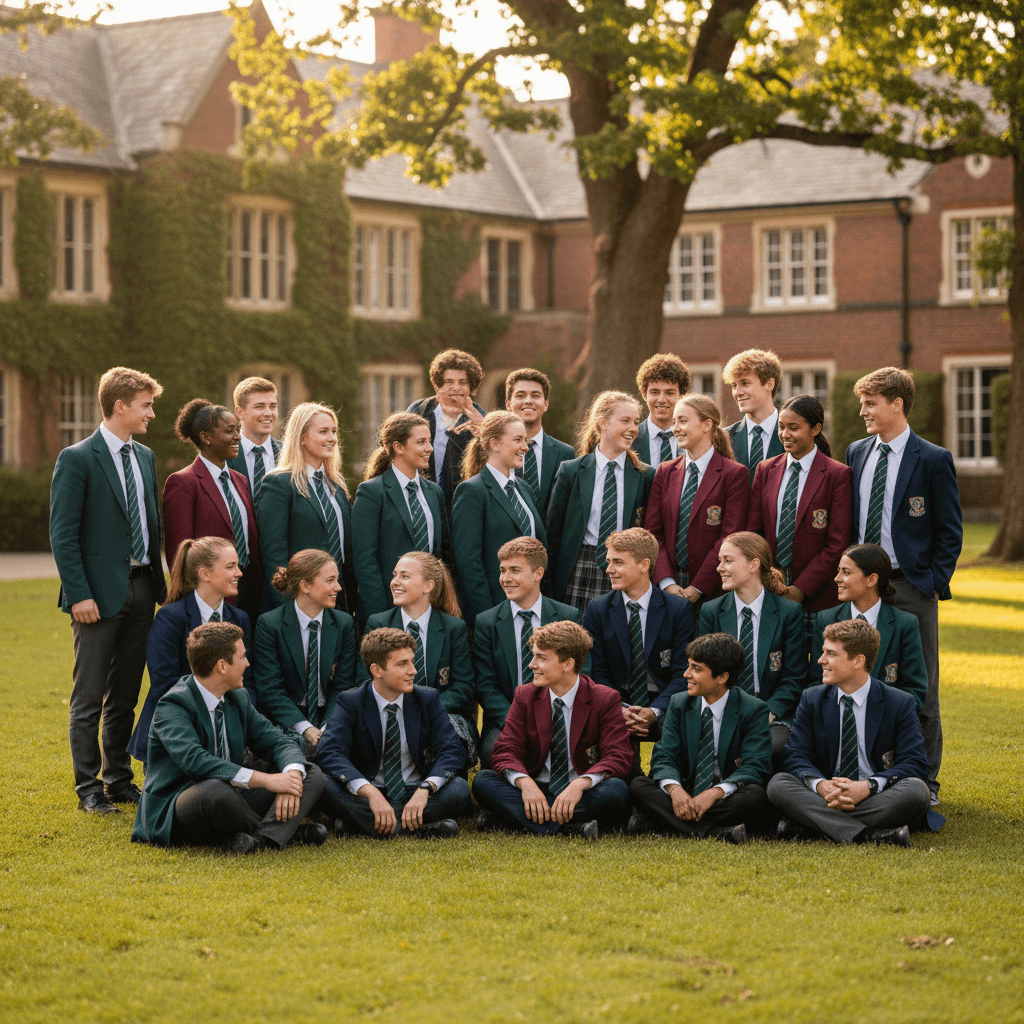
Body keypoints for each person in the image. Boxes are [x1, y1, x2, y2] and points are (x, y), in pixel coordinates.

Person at [50, 366, 167, 813]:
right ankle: (88, 790)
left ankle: (119, 780)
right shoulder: (77, 458)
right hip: (95, 598)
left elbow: (150, 526)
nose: (151, 414)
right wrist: (79, 594)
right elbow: (63, 534)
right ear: (120, 405)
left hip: (142, 592)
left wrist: (159, 584)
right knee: (89, 697)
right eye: (145, 405)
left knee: (125, 695)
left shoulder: (146, 457)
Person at [846, 367, 962, 806]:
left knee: (922, 688)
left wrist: (931, 582)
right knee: (864, 679)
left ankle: (925, 783)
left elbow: (950, 531)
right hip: (864, 587)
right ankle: (869, 770)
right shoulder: (856, 452)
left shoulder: (932, 459)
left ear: (897, 404)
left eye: (871, 403)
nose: (863, 412)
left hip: (911, 586)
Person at [131, 621, 326, 852]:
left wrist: (291, 775)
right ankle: (287, 835)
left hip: (233, 793)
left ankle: (263, 840)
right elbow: (195, 762)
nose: (247, 663)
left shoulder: (238, 697)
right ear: (222, 666)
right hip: (182, 803)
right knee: (215, 790)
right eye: (242, 656)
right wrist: (268, 781)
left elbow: (276, 740)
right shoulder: (173, 705)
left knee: (310, 772)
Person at [767, 618, 931, 847]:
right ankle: (869, 835)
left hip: (874, 797)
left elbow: (915, 764)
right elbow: (796, 755)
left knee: (916, 791)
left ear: (858, 661)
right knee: (778, 784)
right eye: (823, 652)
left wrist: (867, 787)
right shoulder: (812, 698)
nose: (820, 660)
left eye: (831, 654)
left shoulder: (899, 703)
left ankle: (813, 826)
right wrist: (822, 786)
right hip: (826, 795)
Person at [472, 621, 632, 837]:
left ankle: (516, 820)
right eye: (533, 655)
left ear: (568, 664)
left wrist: (580, 784)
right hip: (537, 785)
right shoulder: (525, 696)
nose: (532, 664)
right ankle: (570, 828)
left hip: (581, 791)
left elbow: (618, 755)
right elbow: (505, 750)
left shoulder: (605, 699)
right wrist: (525, 783)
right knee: (483, 781)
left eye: (541, 658)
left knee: (616, 791)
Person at [316, 627, 471, 838]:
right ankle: (415, 829)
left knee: (460, 789)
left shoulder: (427, 699)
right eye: (402, 664)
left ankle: (363, 825)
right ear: (377, 670)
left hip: (414, 790)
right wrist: (370, 792)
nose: (413, 671)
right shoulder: (351, 701)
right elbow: (330, 751)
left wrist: (425, 789)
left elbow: (451, 750)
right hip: (368, 792)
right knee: (322, 784)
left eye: (412, 661)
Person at [628, 633, 772, 843]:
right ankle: (716, 833)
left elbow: (755, 766)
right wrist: (675, 791)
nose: (686, 674)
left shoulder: (753, 709)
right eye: (688, 666)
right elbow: (664, 755)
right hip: (684, 793)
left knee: (755, 795)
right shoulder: (679, 702)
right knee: (639, 786)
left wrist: (714, 793)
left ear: (722, 677)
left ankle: (661, 823)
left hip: (724, 797)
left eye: (696, 669)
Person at [128, 536, 252, 768]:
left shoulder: (240, 619)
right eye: (230, 567)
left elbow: (248, 682)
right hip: (177, 731)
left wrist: (242, 728)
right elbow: (164, 685)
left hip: (229, 731)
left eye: (237, 565)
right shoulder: (170, 618)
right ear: (204, 574)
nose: (239, 573)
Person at [583, 528, 695, 765]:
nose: (609, 569)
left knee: (680, 731)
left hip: (664, 700)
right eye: (609, 561)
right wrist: (620, 709)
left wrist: (654, 712)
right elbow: (598, 673)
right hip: (616, 701)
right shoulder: (597, 609)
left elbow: (681, 673)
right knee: (612, 753)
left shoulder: (678, 609)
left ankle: (667, 783)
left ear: (644, 565)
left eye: (618, 562)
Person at [746, 395, 852, 641]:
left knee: (818, 666)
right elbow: (753, 532)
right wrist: (769, 578)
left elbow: (837, 543)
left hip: (817, 593)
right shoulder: (765, 470)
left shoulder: (837, 475)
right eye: (781, 427)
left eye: (794, 428)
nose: (785, 434)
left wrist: (800, 589)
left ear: (815, 429)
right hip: (769, 588)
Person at [473, 537, 584, 769]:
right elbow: (485, 685)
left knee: (584, 757)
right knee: (494, 755)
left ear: (538, 573)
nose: (506, 578)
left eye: (515, 570)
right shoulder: (487, 622)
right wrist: (516, 720)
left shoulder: (568, 616)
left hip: (561, 713)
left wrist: (552, 717)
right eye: (503, 570)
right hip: (507, 716)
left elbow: (581, 674)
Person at [698, 532, 806, 764]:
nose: (719, 568)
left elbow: (794, 677)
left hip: (771, 711)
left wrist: (767, 712)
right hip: (723, 708)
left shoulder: (788, 612)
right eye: (720, 560)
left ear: (753, 565)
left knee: (770, 745)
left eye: (728, 560)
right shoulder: (712, 611)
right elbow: (704, 672)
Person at [546, 391, 656, 613]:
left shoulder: (645, 475)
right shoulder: (572, 471)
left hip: (625, 569)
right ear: (603, 424)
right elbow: (553, 532)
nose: (633, 428)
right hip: (578, 567)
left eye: (635, 422)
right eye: (625, 421)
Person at [364, 552, 477, 768]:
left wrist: (428, 711)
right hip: (389, 712)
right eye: (394, 575)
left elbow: (463, 686)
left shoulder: (453, 628)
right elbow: (367, 680)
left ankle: (440, 782)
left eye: (405, 576)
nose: (395, 582)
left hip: (440, 714)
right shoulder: (378, 624)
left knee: (448, 742)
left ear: (428, 586)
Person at [162, 399, 262, 624]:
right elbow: (179, 555)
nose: (238, 436)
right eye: (229, 431)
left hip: (250, 591)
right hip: (211, 598)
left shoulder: (240, 480)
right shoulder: (183, 482)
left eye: (237, 430)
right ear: (206, 437)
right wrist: (197, 604)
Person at [646, 393, 750, 607]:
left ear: (707, 425)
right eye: (674, 421)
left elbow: (729, 538)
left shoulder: (734, 474)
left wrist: (698, 587)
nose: (675, 428)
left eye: (683, 421)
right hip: (669, 590)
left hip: (714, 590)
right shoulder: (665, 472)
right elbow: (653, 533)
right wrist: (666, 582)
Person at [253, 549, 357, 758]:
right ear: (305, 586)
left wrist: (328, 726)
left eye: (337, 580)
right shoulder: (270, 624)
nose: (338, 587)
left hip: (330, 714)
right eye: (330, 580)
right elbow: (270, 688)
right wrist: (304, 727)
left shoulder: (343, 623)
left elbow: (343, 685)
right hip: (289, 718)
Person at [259, 402, 356, 613]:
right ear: (301, 438)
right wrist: (288, 607)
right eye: (323, 431)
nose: (332, 438)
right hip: (300, 603)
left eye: (333, 431)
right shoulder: (279, 483)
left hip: (339, 604)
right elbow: (274, 555)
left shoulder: (337, 486)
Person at [351, 412, 449, 620]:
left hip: (431, 609)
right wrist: (383, 616)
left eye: (429, 441)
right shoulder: (371, 493)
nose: (429, 448)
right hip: (388, 608)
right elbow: (364, 561)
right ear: (399, 447)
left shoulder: (434, 493)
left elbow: (440, 553)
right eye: (421, 442)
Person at [450, 411, 547, 624]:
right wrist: (489, 615)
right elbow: (468, 562)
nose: (525, 446)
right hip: (495, 609)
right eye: (518, 440)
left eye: (525, 440)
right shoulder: (472, 491)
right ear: (494, 444)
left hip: (531, 607)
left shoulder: (524, 488)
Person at [810, 544, 927, 711]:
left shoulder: (905, 624)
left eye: (846, 572)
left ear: (871, 579)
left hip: (887, 723)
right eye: (838, 571)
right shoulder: (826, 619)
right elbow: (816, 682)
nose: (837, 578)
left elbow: (915, 690)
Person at [407, 348, 487, 507]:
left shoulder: (481, 417)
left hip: (464, 504)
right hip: (419, 501)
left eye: (462, 382)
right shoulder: (418, 411)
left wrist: (484, 430)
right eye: (449, 382)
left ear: (471, 387)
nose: (456, 388)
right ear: (437, 386)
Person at [504, 367, 575, 517]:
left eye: (535, 395)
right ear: (508, 404)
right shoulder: (496, 451)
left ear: (546, 404)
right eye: (521, 395)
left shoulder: (565, 454)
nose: (528, 401)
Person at [722, 348, 784, 484]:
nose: (737, 392)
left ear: (769, 384)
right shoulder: (723, 438)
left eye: (745, 383)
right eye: (734, 385)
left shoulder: (795, 435)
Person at [226, 376, 281, 507]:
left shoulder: (291, 454)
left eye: (272, 406)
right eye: (259, 407)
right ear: (240, 413)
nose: (268, 413)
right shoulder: (221, 455)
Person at [631, 353, 691, 468]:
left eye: (669, 393)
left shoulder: (695, 439)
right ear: (644, 395)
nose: (662, 400)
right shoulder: (631, 440)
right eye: (655, 392)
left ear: (681, 395)